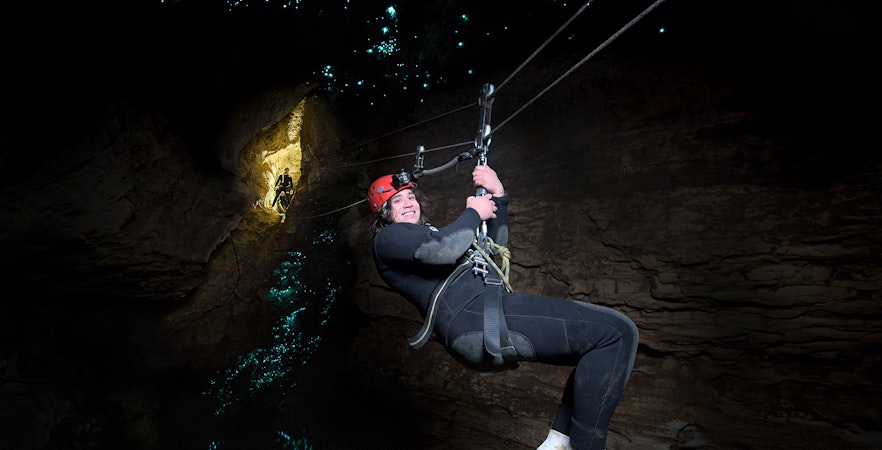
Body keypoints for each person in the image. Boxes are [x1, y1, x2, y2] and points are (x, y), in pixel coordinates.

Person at [368, 164, 638, 450]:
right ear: (385, 213)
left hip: (485, 314)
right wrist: (473, 212)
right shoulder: (387, 239)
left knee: (604, 342)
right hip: (474, 318)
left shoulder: (426, 234)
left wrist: (499, 195)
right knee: (616, 334)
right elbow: (442, 249)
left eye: (410, 197)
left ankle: (559, 442)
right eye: (396, 201)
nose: (408, 204)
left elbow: (494, 249)